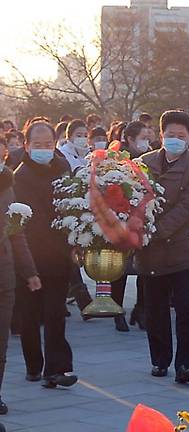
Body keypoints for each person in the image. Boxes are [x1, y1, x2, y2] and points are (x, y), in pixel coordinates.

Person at [134, 110, 189, 382]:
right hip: (150, 252)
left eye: (181, 136)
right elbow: (131, 199)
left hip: (184, 250)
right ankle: (160, 360)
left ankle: (187, 364)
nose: (176, 140)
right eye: (171, 135)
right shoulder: (142, 163)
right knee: (155, 309)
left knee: (186, 309)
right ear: (161, 135)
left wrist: (155, 230)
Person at [13, 121, 76, 389]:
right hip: (29, 256)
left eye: (48, 145)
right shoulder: (18, 176)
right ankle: (33, 365)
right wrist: (26, 268)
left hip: (59, 253)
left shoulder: (63, 168)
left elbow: (74, 204)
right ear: (27, 146)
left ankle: (56, 369)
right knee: (30, 314)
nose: (43, 149)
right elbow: (17, 224)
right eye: (37, 145)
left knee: (55, 313)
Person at [0, 137, 39, 414]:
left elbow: (16, 232)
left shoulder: (6, 183)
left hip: (4, 277)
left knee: (1, 344)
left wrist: (29, 271)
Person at [109, 121, 151, 332]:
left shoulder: (151, 157)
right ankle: (117, 310)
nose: (147, 142)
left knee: (145, 266)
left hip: (144, 217)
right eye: (143, 138)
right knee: (122, 269)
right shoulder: (116, 159)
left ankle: (141, 308)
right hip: (122, 216)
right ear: (130, 139)